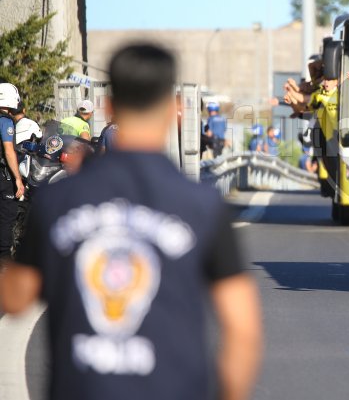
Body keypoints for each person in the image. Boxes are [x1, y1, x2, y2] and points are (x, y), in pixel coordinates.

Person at [0, 43, 262, 400]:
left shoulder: (57, 201)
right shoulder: (201, 205)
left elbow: (16, 298)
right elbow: (243, 330)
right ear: (175, 111)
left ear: (109, 108)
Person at [0, 82, 24, 261]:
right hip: (3, 177)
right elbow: (9, 151)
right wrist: (17, 178)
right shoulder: (5, 121)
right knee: (6, 217)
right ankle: (4, 260)